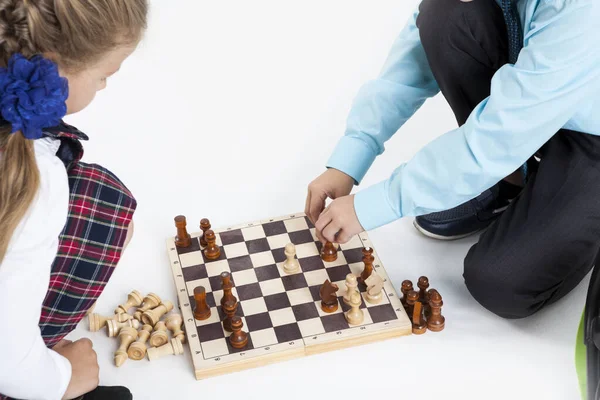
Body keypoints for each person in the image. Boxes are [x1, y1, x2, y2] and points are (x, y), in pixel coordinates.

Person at [306, 0, 600, 319]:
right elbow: (412, 59)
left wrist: (377, 204)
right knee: (443, 15)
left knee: (501, 282)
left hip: (591, 138)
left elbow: (497, 137)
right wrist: (352, 154)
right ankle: (508, 182)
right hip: (534, 100)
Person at [0, 1, 148, 399]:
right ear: (52, 66)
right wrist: (64, 378)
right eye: (103, 76)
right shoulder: (34, 179)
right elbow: (6, 361)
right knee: (106, 208)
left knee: (98, 201)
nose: (104, 86)